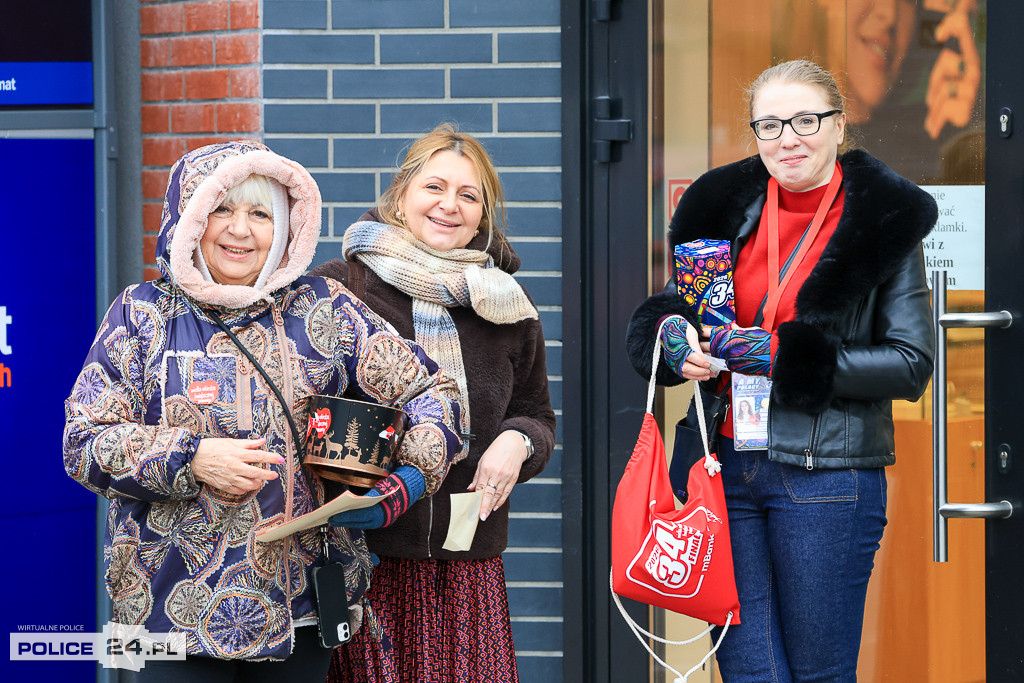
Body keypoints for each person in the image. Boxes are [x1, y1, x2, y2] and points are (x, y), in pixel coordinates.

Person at [63, 141, 462, 680]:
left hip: (301, 610)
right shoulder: (140, 314)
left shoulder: (325, 307)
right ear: (188, 219)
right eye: (221, 210)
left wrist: (410, 478)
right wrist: (191, 457)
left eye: (260, 213)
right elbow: (83, 442)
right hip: (164, 614)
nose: (240, 230)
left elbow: (436, 393)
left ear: (285, 227)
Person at [626, 60, 936, 680]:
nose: (787, 139)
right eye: (769, 125)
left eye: (804, 120)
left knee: (817, 673)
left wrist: (779, 356)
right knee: (749, 672)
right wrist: (669, 336)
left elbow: (909, 364)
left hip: (825, 475)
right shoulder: (720, 207)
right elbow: (676, 306)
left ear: (839, 124)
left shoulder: (883, 221)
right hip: (721, 468)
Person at [312, 123, 556, 682]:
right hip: (363, 557)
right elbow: (298, 405)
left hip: (466, 559)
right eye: (435, 188)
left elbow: (537, 414)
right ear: (401, 197)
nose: (450, 206)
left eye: (469, 196)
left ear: (483, 215)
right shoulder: (338, 288)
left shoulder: (507, 306)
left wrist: (516, 443)